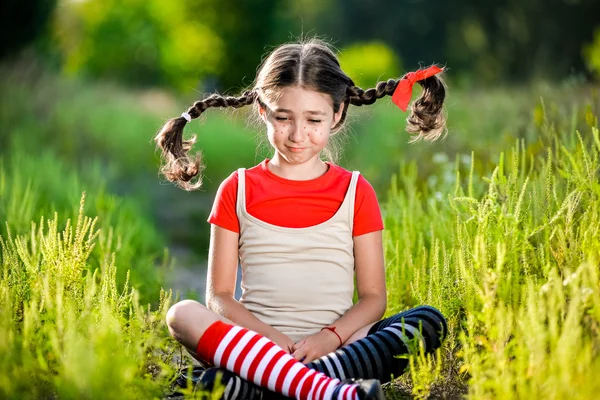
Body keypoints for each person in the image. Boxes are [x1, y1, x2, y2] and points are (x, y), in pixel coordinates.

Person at [154, 39, 448, 400]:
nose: (297, 134)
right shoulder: (238, 188)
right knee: (182, 315)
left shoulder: (356, 192)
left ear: (337, 114)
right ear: (262, 111)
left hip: (339, 346)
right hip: (258, 347)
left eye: (313, 120)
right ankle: (326, 390)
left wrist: (330, 337)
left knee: (426, 322)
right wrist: (273, 343)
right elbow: (219, 298)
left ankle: (271, 386)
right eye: (283, 118)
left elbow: (373, 299)